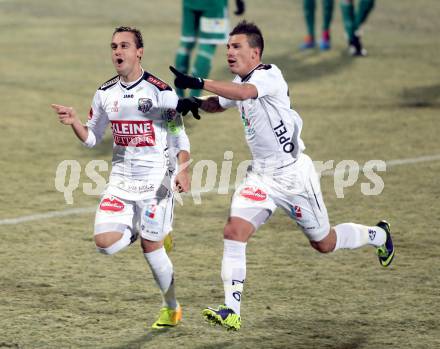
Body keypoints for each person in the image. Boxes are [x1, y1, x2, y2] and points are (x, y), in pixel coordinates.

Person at [170, 20, 395, 331]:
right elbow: (222, 102)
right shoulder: (240, 80)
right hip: (261, 177)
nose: (230, 53)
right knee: (234, 231)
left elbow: (245, 93)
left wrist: (197, 81)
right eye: (228, 48)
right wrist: (195, 103)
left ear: (255, 52)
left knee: (324, 243)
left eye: (236, 47)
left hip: (293, 177)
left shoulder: (268, 76)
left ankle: (379, 235)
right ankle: (231, 310)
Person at [52, 26, 200, 329]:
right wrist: (75, 122)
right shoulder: (105, 93)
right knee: (105, 244)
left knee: (151, 247)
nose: (117, 52)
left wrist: (183, 170)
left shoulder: (160, 91)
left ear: (139, 52)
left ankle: (171, 308)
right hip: (121, 181)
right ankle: (142, 229)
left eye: (124, 46)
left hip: (156, 180)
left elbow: (178, 138)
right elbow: (92, 138)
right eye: (113, 46)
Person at [174, 0, 245, 98]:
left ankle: (178, 95)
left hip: (189, 3)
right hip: (213, 4)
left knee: (186, 44)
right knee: (207, 45)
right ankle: (193, 99)